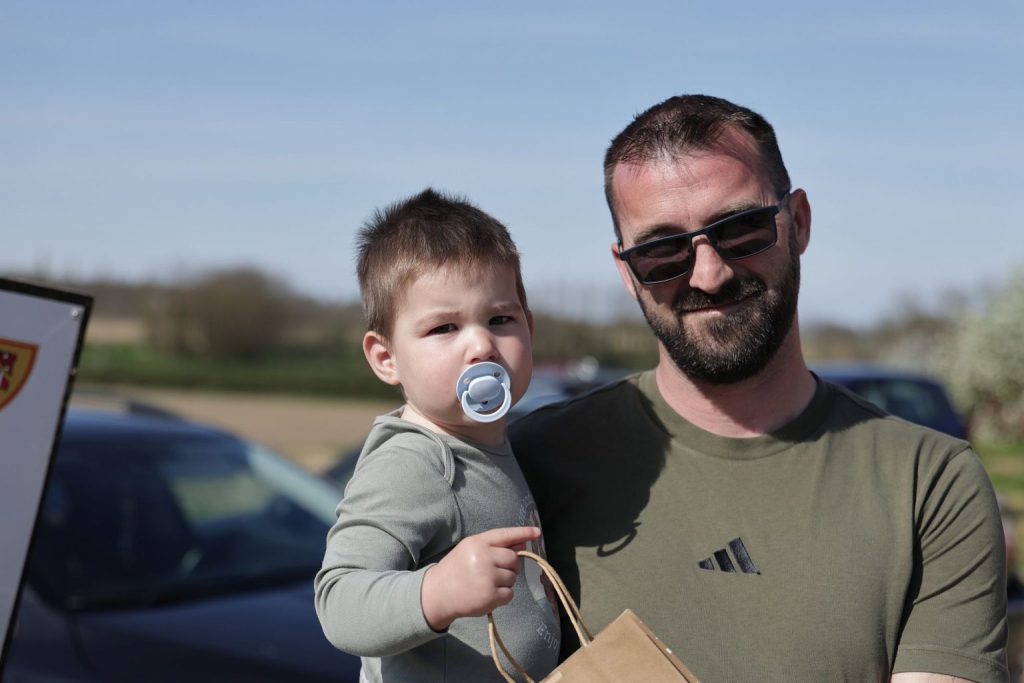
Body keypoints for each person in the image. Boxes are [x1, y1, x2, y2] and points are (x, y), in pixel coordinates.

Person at [511, 95, 1008, 682]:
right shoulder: (526, 466)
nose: (709, 274)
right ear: (627, 271)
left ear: (798, 223)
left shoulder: (929, 484)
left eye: (740, 229)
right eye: (662, 251)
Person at [315, 189, 560, 681]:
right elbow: (338, 602)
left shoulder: (488, 444)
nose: (481, 345)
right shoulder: (414, 463)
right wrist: (437, 593)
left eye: (500, 319)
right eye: (444, 327)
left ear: (529, 330)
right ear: (386, 358)